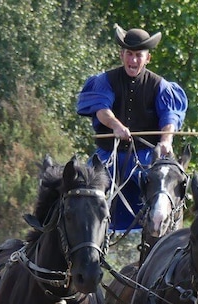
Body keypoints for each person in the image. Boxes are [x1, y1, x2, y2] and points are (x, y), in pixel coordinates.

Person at [77, 24, 188, 231]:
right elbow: (102, 110)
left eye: (139, 55)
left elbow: (169, 116)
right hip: (107, 155)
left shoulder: (161, 86)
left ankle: (166, 240)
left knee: (163, 194)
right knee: (82, 193)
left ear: (148, 58)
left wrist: (166, 141)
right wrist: (116, 126)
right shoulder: (104, 81)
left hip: (145, 158)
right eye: (129, 54)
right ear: (122, 55)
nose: (133, 60)